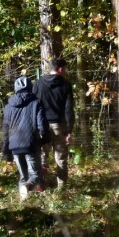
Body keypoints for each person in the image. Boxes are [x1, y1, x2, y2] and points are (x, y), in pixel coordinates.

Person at [1, 75, 47, 199]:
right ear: (31, 87)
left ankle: (23, 202)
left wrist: (6, 151)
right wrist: (44, 139)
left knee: (23, 175)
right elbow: (42, 125)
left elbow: (5, 131)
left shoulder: (8, 107)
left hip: (14, 146)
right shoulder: (36, 103)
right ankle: (26, 188)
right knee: (35, 175)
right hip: (31, 144)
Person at [33, 57, 75, 187]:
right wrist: (68, 130)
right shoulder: (66, 85)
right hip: (59, 125)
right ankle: (61, 186)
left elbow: (33, 106)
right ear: (61, 69)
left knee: (41, 156)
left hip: (41, 125)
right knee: (61, 157)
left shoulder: (38, 84)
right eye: (65, 69)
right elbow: (68, 109)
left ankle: (40, 184)